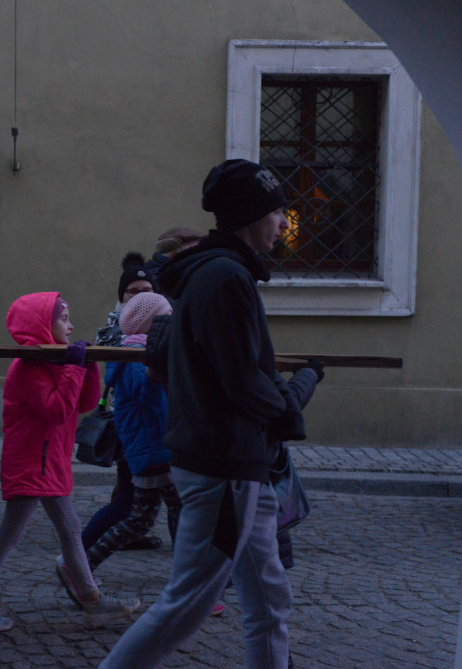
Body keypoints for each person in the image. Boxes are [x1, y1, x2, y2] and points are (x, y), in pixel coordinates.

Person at [99, 159, 321, 669]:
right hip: (224, 465)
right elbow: (241, 377)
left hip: (240, 463)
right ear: (251, 216)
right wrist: (288, 412)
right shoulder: (224, 277)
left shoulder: (219, 273)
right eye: (277, 211)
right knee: (186, 604)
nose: (284, 222)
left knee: (269, 598)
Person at [0, 292, 139, 633]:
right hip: (31, 462)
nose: (71, 325)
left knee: (69, 529)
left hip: (48, 461)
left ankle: (92, 601)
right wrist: (72, 367)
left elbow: (81, 403)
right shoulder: (27, 367)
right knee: (12, 534)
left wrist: (87, 367)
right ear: (43, 324)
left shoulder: (52, 363)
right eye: (64, 318)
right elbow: (56, 409)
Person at [83, 292, 181, 572]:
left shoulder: (142, 352)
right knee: (187, 515)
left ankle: (76, 567)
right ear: (152, 323)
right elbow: (151, 403)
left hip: (151, 449)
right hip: (155, 448)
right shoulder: (137, 356)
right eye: (166, 317)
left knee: (139, 519)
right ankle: (196, 583)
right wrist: (157, 373)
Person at [85, 252, 163, 552]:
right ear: (123, 295)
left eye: (147, 291)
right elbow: (141, 389)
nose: (141, 296)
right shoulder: (127, 330)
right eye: (134, 291)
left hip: (146, 426)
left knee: (141, 503)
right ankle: (78, 558)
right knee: (133, 501)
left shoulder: (157, 322)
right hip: (134, 422)